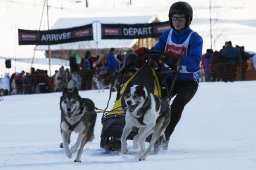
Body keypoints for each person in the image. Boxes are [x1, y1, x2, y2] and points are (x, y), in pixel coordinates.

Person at [135, 1, 203, 151]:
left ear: (188, 20)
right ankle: (151, 132)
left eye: (181, 18)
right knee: (158, 104)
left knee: (176, 106)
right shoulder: (167, 35)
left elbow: (194, 63)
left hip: (188, 82)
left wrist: (177, 58)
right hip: (169, 78)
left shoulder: (195, 38)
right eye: (174, 18)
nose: (177, 22)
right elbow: (157, 51)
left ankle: (165, 135)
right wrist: (147, 53)